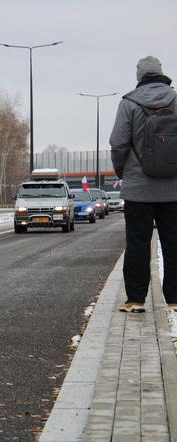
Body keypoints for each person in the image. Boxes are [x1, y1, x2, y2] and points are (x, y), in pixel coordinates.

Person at [110, 56, 177, 313]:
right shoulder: (175, 99)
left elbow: (118, 143)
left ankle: (136, 300)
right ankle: (174, 299)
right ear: (162, 74)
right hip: (173, 189)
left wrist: (123, 171)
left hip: (139, 189)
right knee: (174, 243)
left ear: (139, 76)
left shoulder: (129, 103)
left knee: (138, 243)